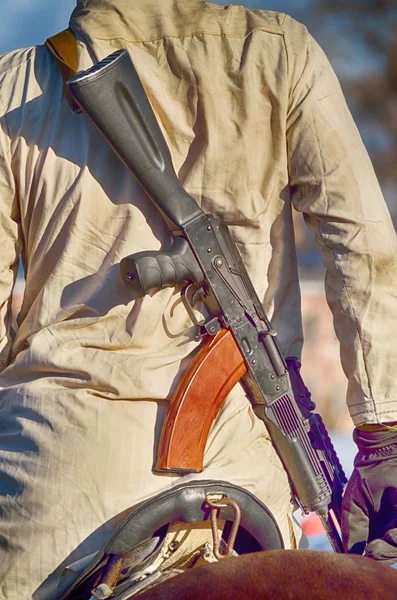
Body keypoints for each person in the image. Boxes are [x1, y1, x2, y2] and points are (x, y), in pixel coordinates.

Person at [0, 0, 396, 597]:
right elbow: (365, 250)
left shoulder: (15, 86)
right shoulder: (280, 51)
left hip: (63, 481)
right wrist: (383, 436)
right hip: (242, 472)